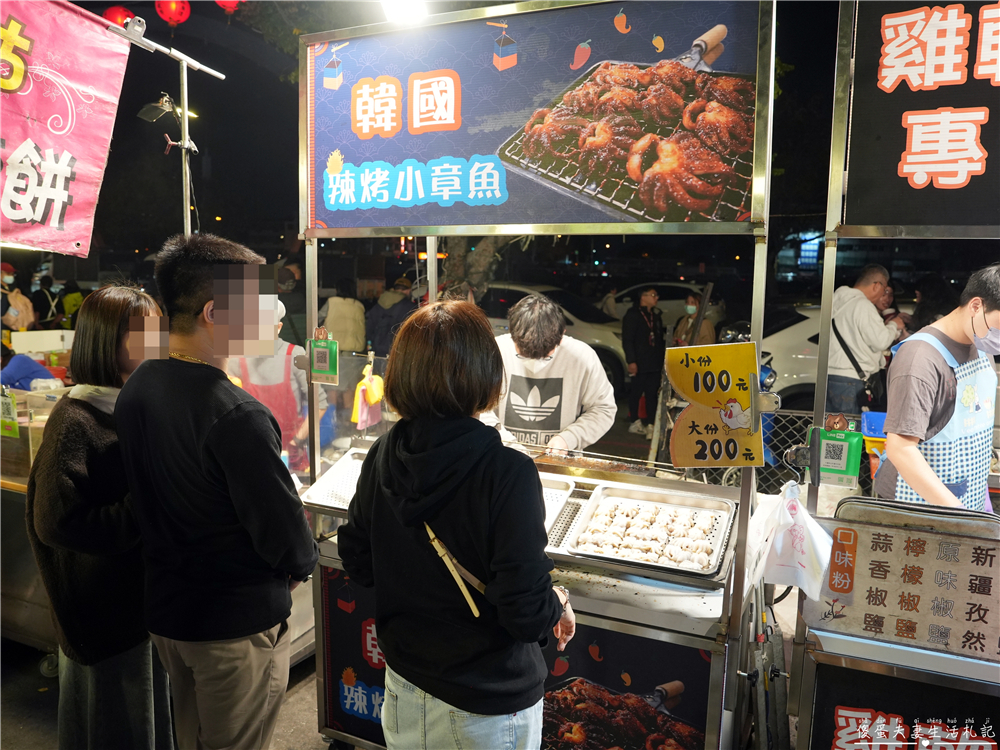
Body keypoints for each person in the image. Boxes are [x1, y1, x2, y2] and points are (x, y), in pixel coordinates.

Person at [338, 301, 576, 750]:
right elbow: (526, 614)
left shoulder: (385, 452)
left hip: (404, 685)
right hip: (485, 707)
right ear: (485, 373)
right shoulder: (507, 472)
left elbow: (357, 559)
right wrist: (558, 599)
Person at [115, 234, 319, 750]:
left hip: (170, 614)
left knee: (190, 738)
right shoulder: (236, 414)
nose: (273, 318)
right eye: (259, 303)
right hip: (233, 628)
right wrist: (300, 563)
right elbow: (287, 539)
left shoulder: (139, 385)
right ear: (214, 312)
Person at [25, 284, 173, 750]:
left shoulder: (134, 405)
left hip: (145, 608)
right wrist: (142, 506)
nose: (159, 341)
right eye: (145, 332)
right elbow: (55, 521)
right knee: (115, 727)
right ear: (106, 340)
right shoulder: (76, 417)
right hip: (103, 620)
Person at [877, 263, 1000, 512]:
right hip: (917, 507)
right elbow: (901, 448)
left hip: (971, 499)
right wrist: (958, 513)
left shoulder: (981, 346)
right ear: (976, 306)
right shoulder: (920, 358)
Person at [485, 295, 616, 452]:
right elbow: (475, 408)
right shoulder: (492, 352)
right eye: (525, 353)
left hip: (559, 459)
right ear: (513, 335)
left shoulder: (583, 357)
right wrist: (502, 439)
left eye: (545, 355)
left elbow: (603, 408)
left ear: (561, 336)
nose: (535, 362)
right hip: (502, 455)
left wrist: (569, 438)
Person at [228, 298, 330, 471]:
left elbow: (319, 404)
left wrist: (296, 442)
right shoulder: (236, 358)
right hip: (250, 445)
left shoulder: (295, 355)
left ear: (278, 328)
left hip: (289, 448)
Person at [826, 264, 906, 413]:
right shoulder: (863, 305)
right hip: (851, 380)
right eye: (884, 289)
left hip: (829, 376)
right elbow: (880, 341)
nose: (883, 295)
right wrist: (894, 325)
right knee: (849, 426)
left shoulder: (836, 300)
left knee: (832, 425)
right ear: (877, 286)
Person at [622, 286, 666, 439]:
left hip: (654, 361)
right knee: (636, 391)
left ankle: (651, 423)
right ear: (643, 297)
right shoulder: (633, 315)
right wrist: (631, 361)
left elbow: (658, 339)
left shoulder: (655, 316)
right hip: (639, 361)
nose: (656, 298)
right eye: (653, 295)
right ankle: (634, 421)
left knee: (652, 393)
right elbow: (628, 340)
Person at [366, 276, 416, 356]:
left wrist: (370, 346)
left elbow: (369, 328)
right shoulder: (410, 307)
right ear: (408, 290)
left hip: (377, 350)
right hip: (397, 352)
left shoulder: (378, 305)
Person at [276, 265, 307, 347]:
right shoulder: (303, 299)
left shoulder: (274, 302)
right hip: (300, 346)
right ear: (294, 284)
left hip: (280, 348)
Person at [2, 261, 35, 333]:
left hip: (15, 327)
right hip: (3, 328)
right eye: (8, 273)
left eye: (12, 274)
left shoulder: (14, 290)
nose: (11, 276)